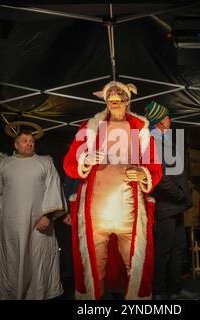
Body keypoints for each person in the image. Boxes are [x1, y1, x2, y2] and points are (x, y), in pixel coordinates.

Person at [63, 81, 162, 300]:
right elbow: (69, 164)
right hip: (95, 212)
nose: (115, 98)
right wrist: (85, 160)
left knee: (135, 265)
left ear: (127, 100)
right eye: (111, 95)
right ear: (106, 100)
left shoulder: (141, 130)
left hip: (129, 211)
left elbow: (155, 167)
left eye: (119, 95)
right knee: (92, 268)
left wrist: (144, 173)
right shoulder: (89, 128)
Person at [0, 131, 67, 300]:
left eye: (31, 141)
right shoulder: (4, 164)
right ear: (15, 145)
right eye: (24, 140)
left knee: (37, 259)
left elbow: (54, 189)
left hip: (39, 224)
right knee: (13, 259)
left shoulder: (45, 162)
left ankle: (40, 295)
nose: (29, 143)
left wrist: (48, 216)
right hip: (11, 225)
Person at [144, 100, 198, 300]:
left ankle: (175, 290)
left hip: (177, 205)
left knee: (178, 248)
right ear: (158, 121)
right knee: (163, 250)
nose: (170, 119)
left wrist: (184, 188)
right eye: (166, 117)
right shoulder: (152, 141)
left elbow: (175, 171)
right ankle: (159, 292)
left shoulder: (165, 138)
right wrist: (179, 194)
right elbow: (158, 177)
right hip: (167, 205)